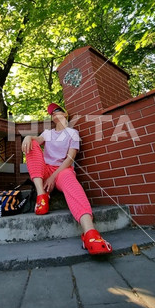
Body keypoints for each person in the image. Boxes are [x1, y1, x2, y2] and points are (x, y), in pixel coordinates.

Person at [21, 103, 112, 255]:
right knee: (32, 145)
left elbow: (69, 159)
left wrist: (52, 177)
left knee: (72, 184)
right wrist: (29, 137)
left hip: (62, 170)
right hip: (44, 169)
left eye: (57, 111)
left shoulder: (73, 133)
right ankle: (41, 195)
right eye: (52, 113)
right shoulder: (48, 133)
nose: (54, 114)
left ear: (65, 114)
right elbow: (38, 139)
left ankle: (90, 234)